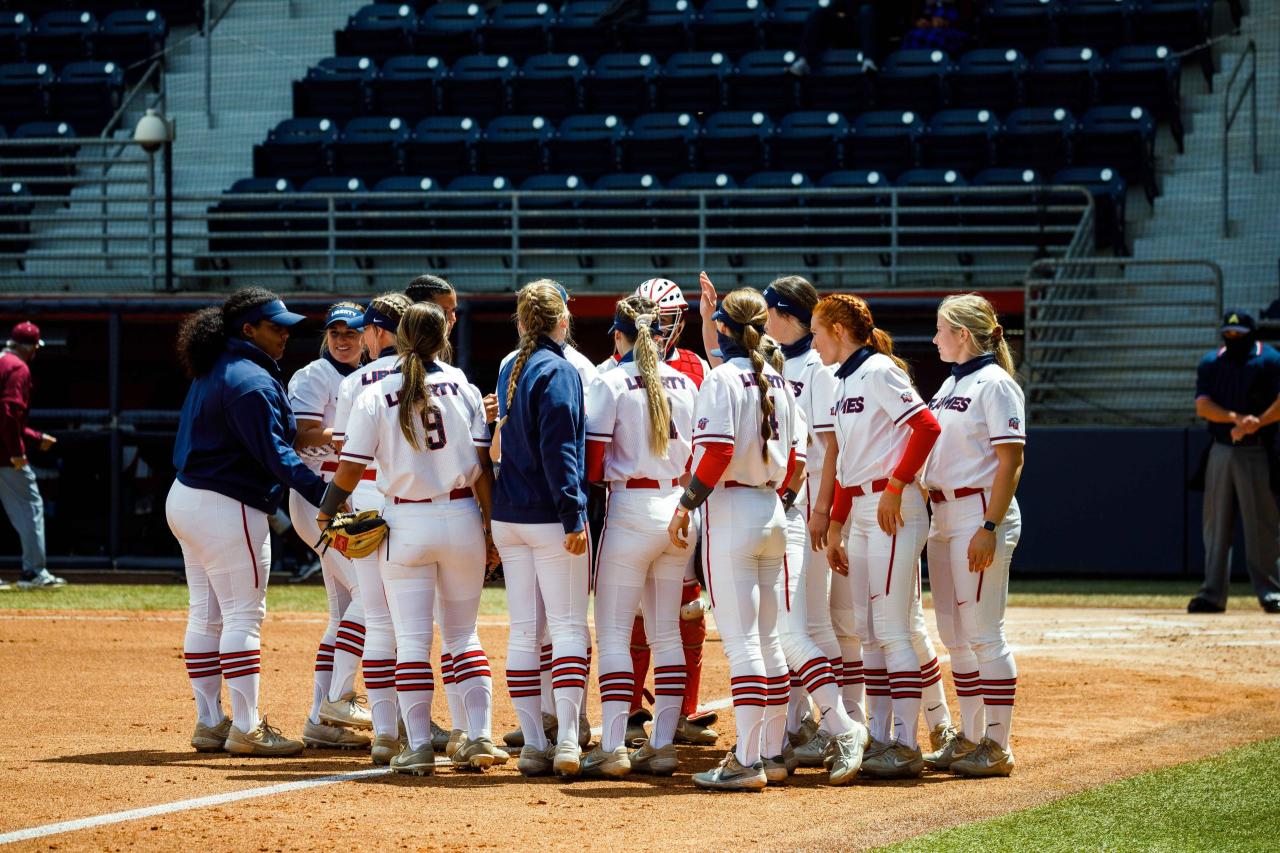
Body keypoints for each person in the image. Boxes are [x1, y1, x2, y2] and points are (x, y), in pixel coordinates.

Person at [672, 288, 866, 791]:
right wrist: (778, 496)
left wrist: (685, 505)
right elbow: (798, 462)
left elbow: (713, 453)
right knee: (771, 642)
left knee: (745, 646)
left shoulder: (721, 378)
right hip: (775, 511)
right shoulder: (778, 377)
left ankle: (748, 760)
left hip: (733, 511)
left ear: (725, 327)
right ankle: (770, 754)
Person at [321, 301, 508, 775]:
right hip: (462, 514)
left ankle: (419, 743)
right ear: (443, 336)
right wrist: (490, 530)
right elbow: (483, 469)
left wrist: (326, 511)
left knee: (411, 640)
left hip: (405, 522)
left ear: (399, 339)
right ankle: (479, 734)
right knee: (464, 636)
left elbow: (350, 467)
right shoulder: (464, 385)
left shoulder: (376, 390)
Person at [166, 288, 321, 756]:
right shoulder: (249, 379)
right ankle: (248, 727)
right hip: (227, 505)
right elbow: (277, 457)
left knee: (206, 614)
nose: (285, 336)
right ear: (247, 329)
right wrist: (330, 498)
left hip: (186, 498)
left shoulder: (217, 367)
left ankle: (211, 722)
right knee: (242, 616)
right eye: (276, 328)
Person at [813, 293, 945, 780]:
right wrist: (837, 525)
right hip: (864, 506)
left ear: (840, 331)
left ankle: (906, 744)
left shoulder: (881, 371)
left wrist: (896, 485)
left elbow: (926, 428)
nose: (815, 339)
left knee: (891, 628)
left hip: (893, 506)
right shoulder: (840, 380)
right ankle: (882, 736)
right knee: (869, 631)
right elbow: (848, 465)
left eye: (819, 329)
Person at [580, 294, 698, 778]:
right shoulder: (686, 383)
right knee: (666, 632)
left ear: (617, 334)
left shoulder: (610, 381)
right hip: (677, 507)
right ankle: (663, 745)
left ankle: (613, 745)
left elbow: (590, 466)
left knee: (612, 633)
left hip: (630, 507)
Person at [600, 278, 719, 749]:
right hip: (676, 504)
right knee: (645, 618)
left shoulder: (691, 366)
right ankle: (634, 712)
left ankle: (683, 710)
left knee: (685, 611)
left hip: (667, 501)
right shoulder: (616, 368)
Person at [760, 278, 869, 771]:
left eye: (768, 311)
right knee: (805, 623)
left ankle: (841, 723)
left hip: (808, 510)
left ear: (784, 313)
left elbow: (831, 450)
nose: (764, 319)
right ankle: (815, 723)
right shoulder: (778, 362)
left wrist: (825, 512)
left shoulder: (819, 370)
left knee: (807, 625)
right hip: (796, 508)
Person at [920, 292, 1025, 777]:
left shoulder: (997, 384)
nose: (935, 337)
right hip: (943, 515)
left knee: (984, 634)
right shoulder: (948, 384)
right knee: (955, 636)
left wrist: (989, 526)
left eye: (942, 329)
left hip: (978, 512)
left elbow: (1012, 461)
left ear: (963, 333)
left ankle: (997, 746)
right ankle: (969, 738)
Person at [492, 279, 591, 778]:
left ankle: (533, 743)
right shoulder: (562, 368)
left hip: (509, 515)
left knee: (525, 632)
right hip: (550, 517)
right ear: (563, 321)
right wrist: (574, 513)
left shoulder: (511, 365)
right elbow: (562, 451)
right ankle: (569, 741)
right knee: (570, 626)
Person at [332, 292, 414, 765]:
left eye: (364, 328)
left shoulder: (358, 381)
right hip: (414, 502)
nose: (361, 336)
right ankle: (422, 723)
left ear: (379, 332)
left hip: (364, 498)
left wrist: (330, 510)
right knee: (418, 622)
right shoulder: (440, 377)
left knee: (375, 614)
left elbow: (347, 457)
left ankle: (386, 730)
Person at [285, 302, 372, 751]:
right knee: (370, 594)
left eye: (352, 332)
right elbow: (301, 433)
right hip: (317, 494)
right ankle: (340, 697)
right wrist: (339, 437)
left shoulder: (364, 376)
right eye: (336, 331)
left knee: (343, 612)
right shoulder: (313, 374)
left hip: (345, 497)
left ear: (364, 335)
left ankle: (321, 718)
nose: (343, 338)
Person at [1190, 310, 1280, 614]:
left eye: (1239, 335)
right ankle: (1212, 594)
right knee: (1215, 525)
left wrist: (1258, 422)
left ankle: (1271, 591)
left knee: (1261, 523)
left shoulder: (1269, 360)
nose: (1233, 339)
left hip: (1256, 448)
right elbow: (1203, 406)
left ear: (1251, 333)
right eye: (1228, 335)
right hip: (1222, 448)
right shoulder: (1212, 361)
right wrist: (1236, 419)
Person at [0, 321, 63, 590]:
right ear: (30, 347)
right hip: (4, 455)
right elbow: (8, 413)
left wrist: (36, 438)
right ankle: (34, 572)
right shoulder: (17, 367)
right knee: (31, 506)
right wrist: (16, 452)